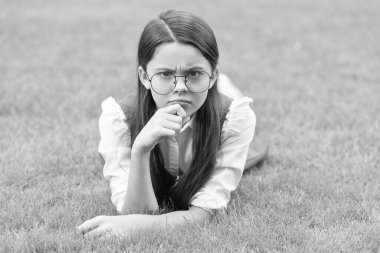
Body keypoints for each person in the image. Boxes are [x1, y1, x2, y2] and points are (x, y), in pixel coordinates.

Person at [77, 10, 266, 238]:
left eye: (194, 73)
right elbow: (136, 212)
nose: (179, 87)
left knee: (228, 101)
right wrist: (140, 149)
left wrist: (137, 227)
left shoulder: (235, 117)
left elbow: (205, 212)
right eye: (165, 74)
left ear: (213, 74)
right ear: (145, 77)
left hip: (215, 101)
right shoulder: (117, 117)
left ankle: (223, 85)